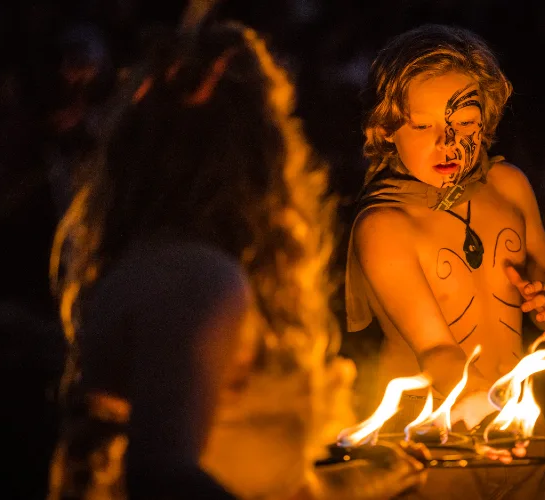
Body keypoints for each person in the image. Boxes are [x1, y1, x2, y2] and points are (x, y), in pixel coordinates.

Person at [46, 16, 429, 500]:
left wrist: (370, 479)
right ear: (260, 149)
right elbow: (161, 477)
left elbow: (256, 481)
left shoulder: (182, 270)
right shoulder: (193, 279)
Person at [345, 23, 545, 499]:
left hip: (519, 434)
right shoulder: (385, 224)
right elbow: (438, 354)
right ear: (388, 129)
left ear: (485, 117)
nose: (446, 142)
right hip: (436, 450)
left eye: (463, 123)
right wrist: (492, 426)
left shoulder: (508, 185)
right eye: (423, 125)